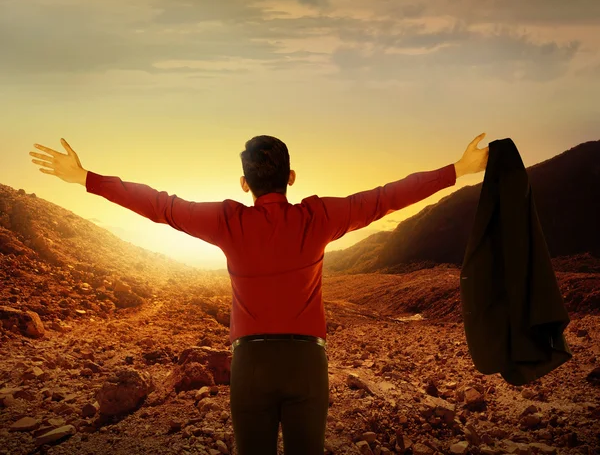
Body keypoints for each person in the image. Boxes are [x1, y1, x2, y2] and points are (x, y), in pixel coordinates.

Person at [29, 133, 489, 454]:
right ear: (291, 178)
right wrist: (458, 169)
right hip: (307, 363)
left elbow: (160, 206)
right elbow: (387, 196)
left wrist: (87, 178)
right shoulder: (318, 217)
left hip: (249, 364)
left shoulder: (229, 220)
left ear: (245, 183)